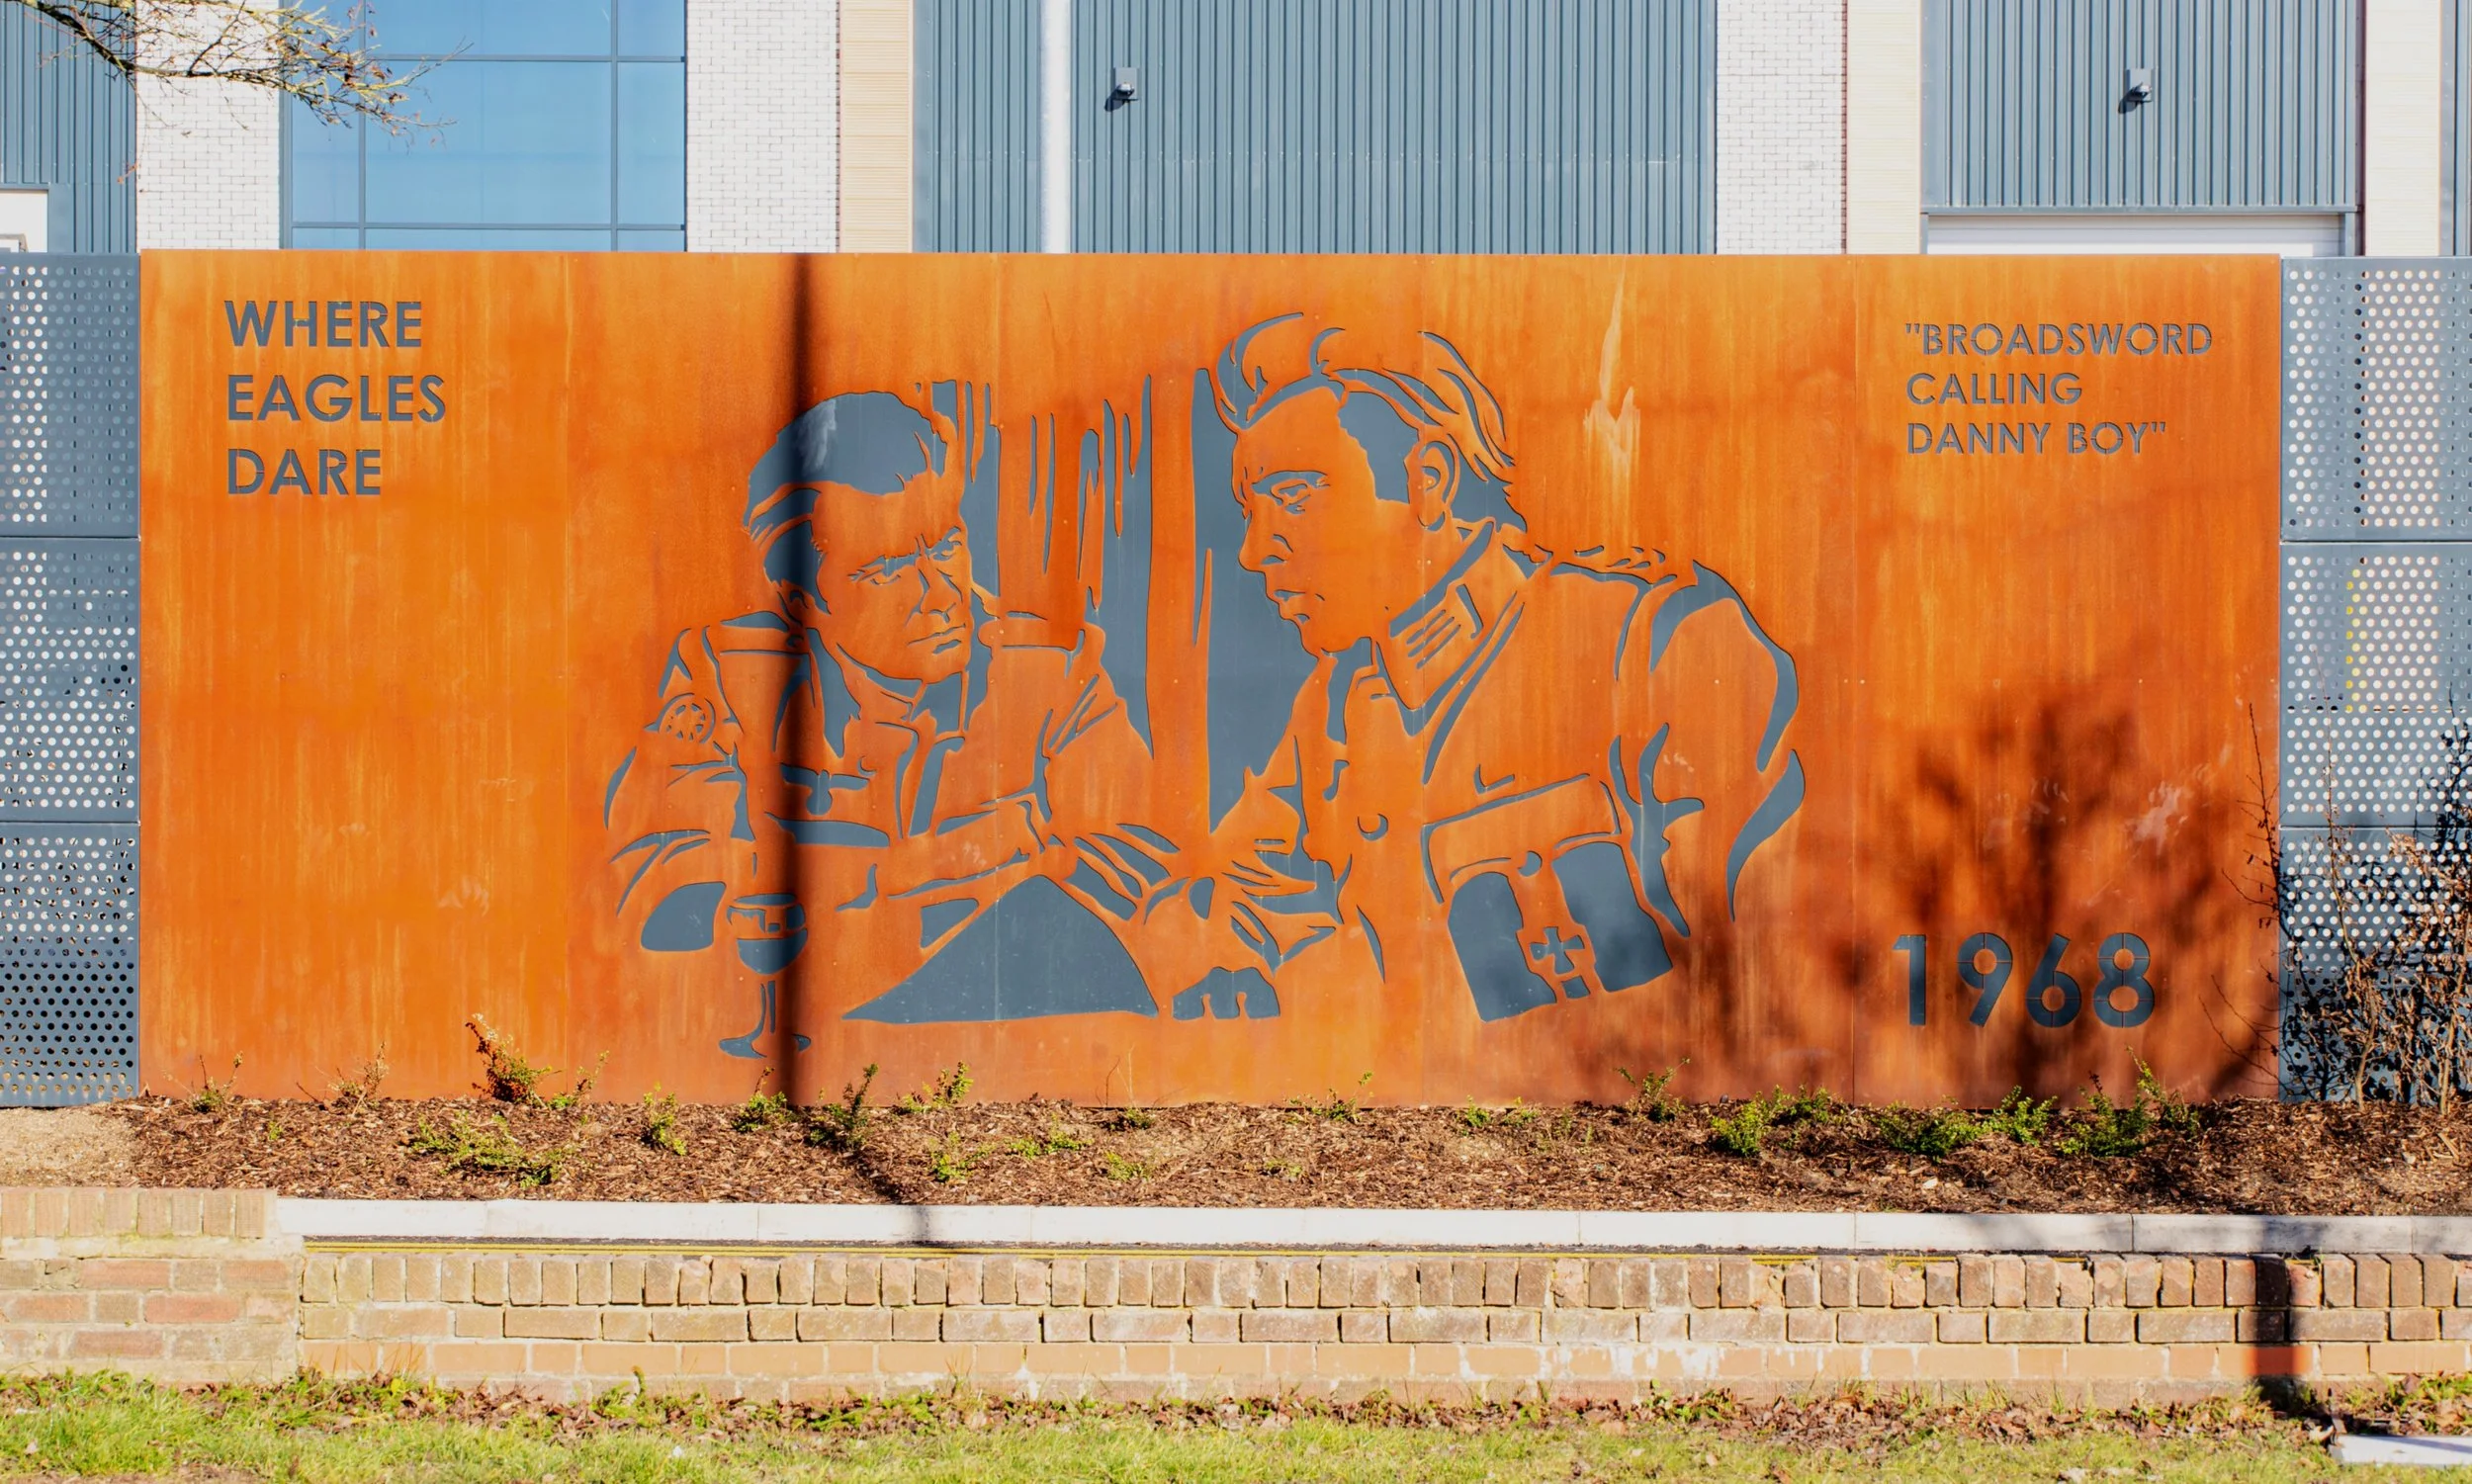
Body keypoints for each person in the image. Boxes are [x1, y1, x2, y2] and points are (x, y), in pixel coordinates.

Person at [1173, 314, 1804, 1022]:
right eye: (1251, 511)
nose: (1255, 552)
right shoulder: (1330, 712)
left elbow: (1724, 975)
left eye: (1293, 499)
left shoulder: (1661, 644)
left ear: (1430, 481)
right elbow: (1236, 916)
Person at [607, 391, 1171, 1055]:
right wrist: (915, 876)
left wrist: (872, 899)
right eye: (890, 568)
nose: (943, 592)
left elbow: (1133, 868)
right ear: (802, 598)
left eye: (947, 544)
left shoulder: (1048, 671)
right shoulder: (729, 677)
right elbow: (659, 885)